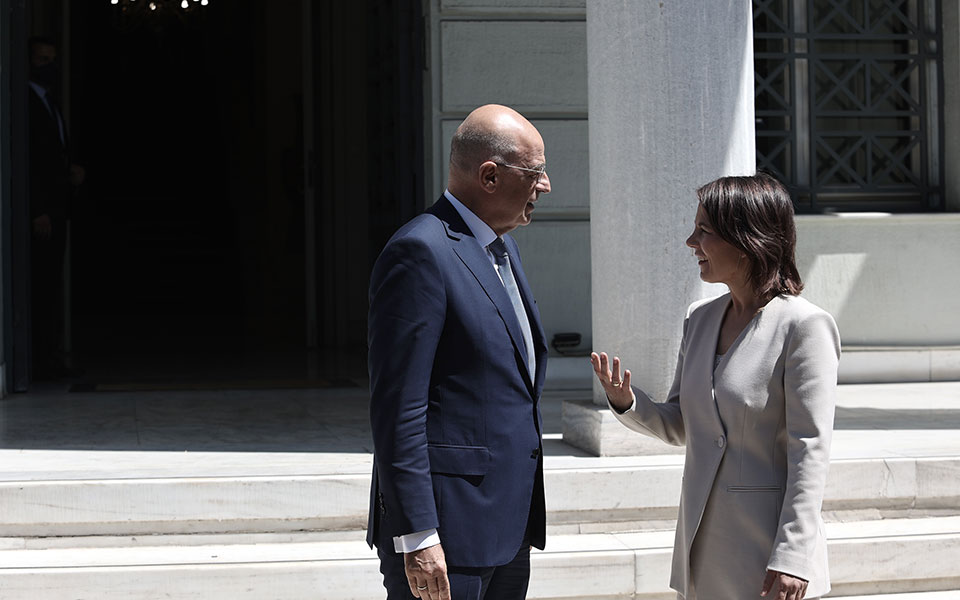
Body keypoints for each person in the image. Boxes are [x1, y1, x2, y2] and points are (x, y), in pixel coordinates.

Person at [592, 173, 840, 600]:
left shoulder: (804, 326)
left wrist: (794, 555)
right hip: (702, 549)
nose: (691, 242)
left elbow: (810, 450)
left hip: (767, 556)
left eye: (704, 231)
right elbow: (682, 424)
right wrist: (628, 402)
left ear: (747, 240)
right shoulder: (700, 318)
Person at [366, 104, 551, 600]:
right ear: (490, 176)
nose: (546, 185)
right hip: (447, 534)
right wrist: (418, 535)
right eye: (534, 172)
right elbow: (398, 409)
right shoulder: (420, 252)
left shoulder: (503, 248)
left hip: (507, 525)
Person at [28, 36, 85, 379]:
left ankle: (49, 354)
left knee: (51, 283)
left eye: (52, 59)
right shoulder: (25, 102)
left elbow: (53, 154)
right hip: (43, 212)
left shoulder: (51, 101)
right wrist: (37, 208)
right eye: (41, 60)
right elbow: (27, 159)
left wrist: (70, 171)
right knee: (41, 284)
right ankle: (40, 358)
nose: (48, 66)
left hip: (57, 205)